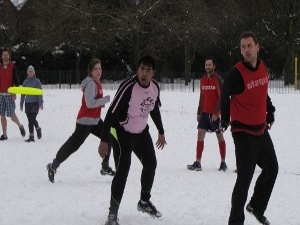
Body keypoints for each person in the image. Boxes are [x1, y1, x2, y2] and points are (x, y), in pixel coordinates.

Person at [98, 55, 167, 225]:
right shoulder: (128, 87)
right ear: (137, 69)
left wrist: (161, 131)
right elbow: (111, 114)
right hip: (122, 132)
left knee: (151, 163)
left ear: (153, 73)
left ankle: (144, 202)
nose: (144, 73)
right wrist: (104, 140)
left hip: (141, 132)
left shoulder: (155, 88)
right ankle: (112, 215)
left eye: (148, 70)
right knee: (123, 169)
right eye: (142, 69)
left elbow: (153, 109)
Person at [221, 31, 278, 225]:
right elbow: (224, 94)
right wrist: (225, 118)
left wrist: (270, 112)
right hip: (243, 133)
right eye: (242, 47)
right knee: (244, 179)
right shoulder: (236, 74)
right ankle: (235, 221)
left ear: (257, 47)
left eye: (249, 46)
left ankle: (256, 206)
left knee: (272, 168)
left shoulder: (262, 67)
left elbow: (263, 93)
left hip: (260, 129)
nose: (246, 50)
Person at [46, 58, 115, 183]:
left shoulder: (97, 83)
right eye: (95, 69)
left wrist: (101, 103)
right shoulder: (90, 84)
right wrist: (104, 100)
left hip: (95, 120)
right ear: (90, 72)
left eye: (100, 68)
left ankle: (105, 166)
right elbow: (90, 103)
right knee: (73, 146)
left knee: (108, 136)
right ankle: (53, 166)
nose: (98, 71)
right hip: (85, 122)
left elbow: (95, 102)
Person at [187, 57, 227, 172]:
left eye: (210, 65)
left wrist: (217, 112)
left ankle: (223, 162)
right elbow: (202, 97)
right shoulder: (203, 79)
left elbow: (222, 97)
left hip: (215, 114)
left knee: (219, 136)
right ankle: (198, 162)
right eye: (206, 65)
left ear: (214, 66)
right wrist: (199, 112)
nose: (207, 67)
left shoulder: (218, 79)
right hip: (204, 113)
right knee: (200, 134)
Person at [0, 48, 26, 140]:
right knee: (2, 114)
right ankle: (4, 134)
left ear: (9, 56)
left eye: (7, 54)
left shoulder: (12, 67)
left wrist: (14, 93)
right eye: (4, 54)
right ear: (2, 56)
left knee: (11, 115)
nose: (5, 56)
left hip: (9, 94)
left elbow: (16, 81)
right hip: (1, 94)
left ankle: (20, 126)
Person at [20, 65, 43, 142]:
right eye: (29, 71)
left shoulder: (37, 81)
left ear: (34, 72)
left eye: (32, 71)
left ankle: (35, 132)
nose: (30, 73)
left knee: (32, 119)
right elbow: (23, 94)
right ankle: (34, 133)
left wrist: (41, 102)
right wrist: (21, 103)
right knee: (30, 120)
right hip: (27, 103)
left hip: (35, 103)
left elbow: (40, 93)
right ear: (27, 73)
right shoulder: (25, 82)